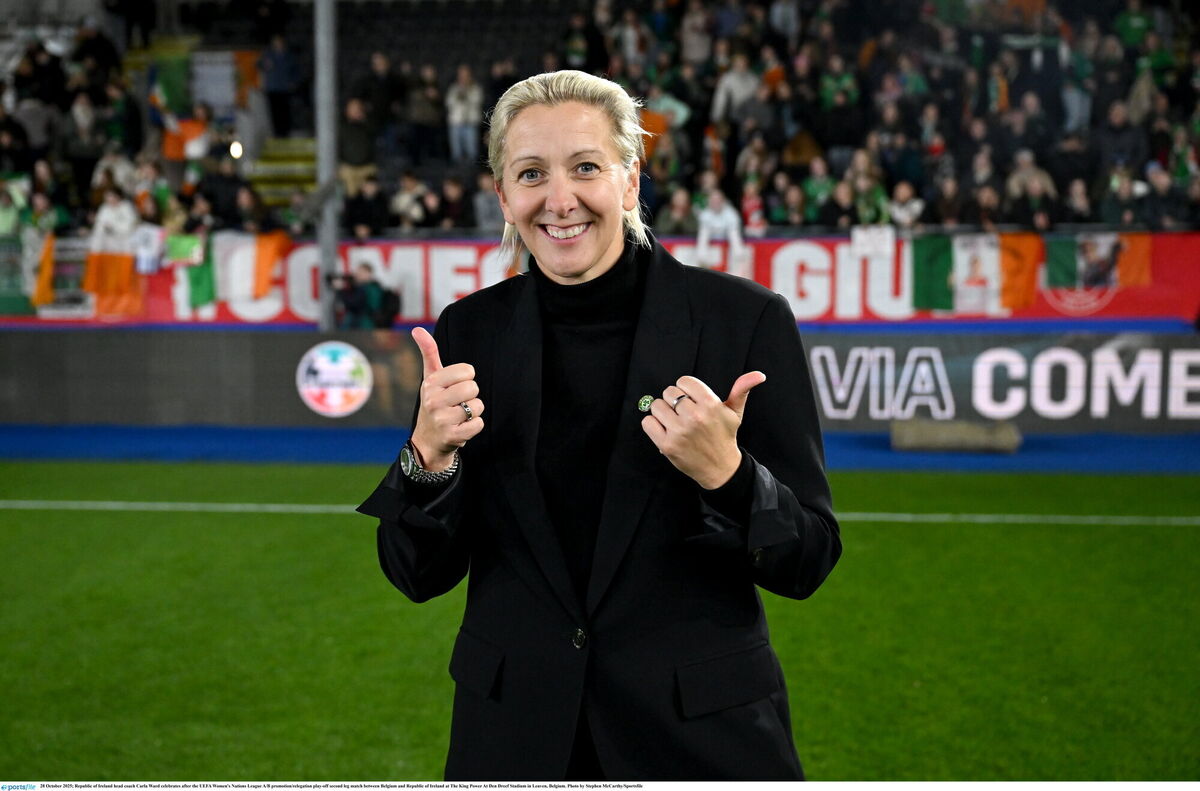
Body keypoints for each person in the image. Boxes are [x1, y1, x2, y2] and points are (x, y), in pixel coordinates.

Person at [358, 69, 840, 781]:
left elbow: (808, 560)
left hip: (701, 743)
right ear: (503, 196)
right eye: (531, 173)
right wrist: (426, 459)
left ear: (629, 180)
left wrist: (730, 478)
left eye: (585, 167)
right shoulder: (469, 333)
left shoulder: (744, 322)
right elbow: (415, 574)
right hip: (514, 741)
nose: (560, 200)